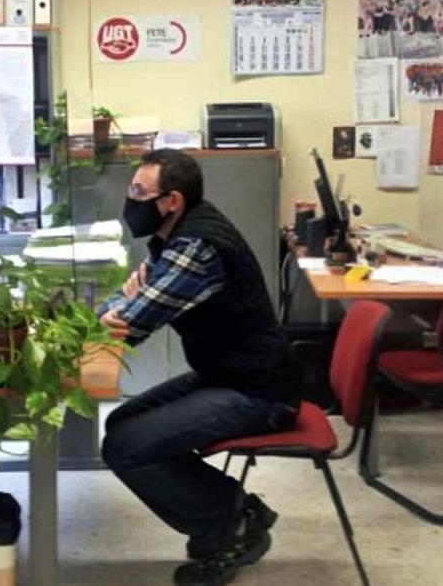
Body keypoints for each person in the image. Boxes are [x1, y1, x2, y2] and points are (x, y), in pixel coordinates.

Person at [98, 150, 301, 586]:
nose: (130, 199)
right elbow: (128, 299)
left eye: (139, 192)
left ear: (172, 200)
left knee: (127, 447)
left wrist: (122, 308)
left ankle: (227, 528)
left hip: (259, 390)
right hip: (225, 374)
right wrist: (122, 306)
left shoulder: (196, 246)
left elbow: (130, 321)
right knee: (122, 422)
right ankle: (237, 508)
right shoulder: (178, 235)